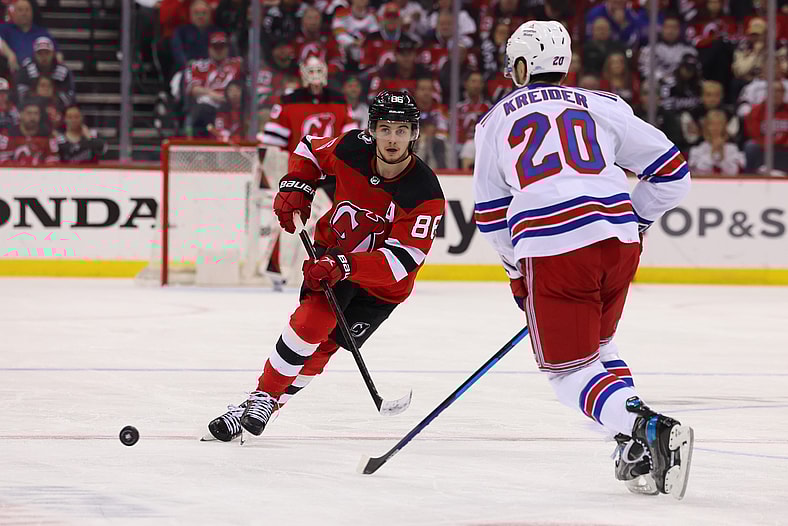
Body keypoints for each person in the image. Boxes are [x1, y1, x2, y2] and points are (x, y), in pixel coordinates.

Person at [472, 21, 694, 499]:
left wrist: (519, 276)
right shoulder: (606, 105)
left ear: (523, 65)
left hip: (552, 243)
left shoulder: (493, 121)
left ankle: (647, 428)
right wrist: (635, 219)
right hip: (617, 240)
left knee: (567, 372)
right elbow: (673, 174)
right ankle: (633, 447)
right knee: (600, 345)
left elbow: (490, 217)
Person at [207, 91, 445, 442]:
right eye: (385, 128)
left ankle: (260, 404)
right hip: (334, 251)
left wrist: (345, 265)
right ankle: (263, 396)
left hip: (381, 286)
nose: (392, 138)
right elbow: (309, 151)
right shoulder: (352, 148)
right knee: (313, 321)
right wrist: (297, 187)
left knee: (322, 350)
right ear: (372, 130)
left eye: (401, 130)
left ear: (414, 134)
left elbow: (402, 261)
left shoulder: (424, 192)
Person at [257, 55, 356, 287]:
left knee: (350, 213)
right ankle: (275, 269)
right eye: (310, 71)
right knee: (290, 216)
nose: (315, 77)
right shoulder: (288, 101)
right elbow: (273, 142)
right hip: (303, 169)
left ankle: (345, 263)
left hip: (332, 171)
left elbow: (350, 139)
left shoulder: (340, 100)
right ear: (302, 73)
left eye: (318, 70)